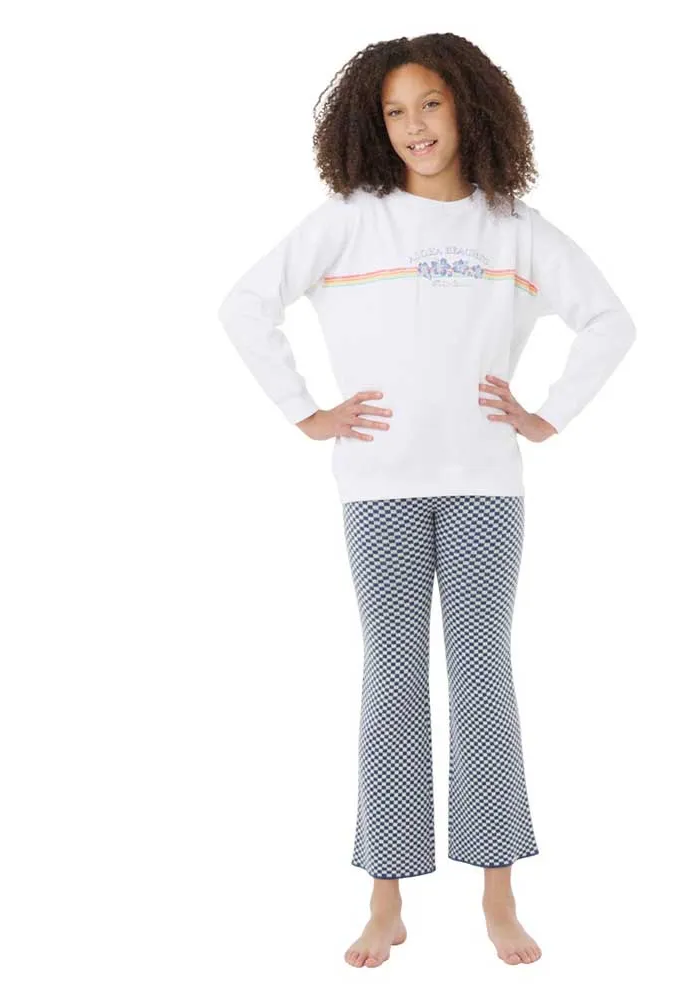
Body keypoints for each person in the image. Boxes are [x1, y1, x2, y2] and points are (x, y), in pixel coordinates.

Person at [217, 32, 636, 968]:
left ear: (469, 107)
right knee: (394, 681)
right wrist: (305, 412)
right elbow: (245, 304)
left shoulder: (512, 227)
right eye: (396, 111)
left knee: (482, 677)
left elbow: (611, 321)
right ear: (374, 124)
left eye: (431, 104)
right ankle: (386, 899)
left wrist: (547, 416)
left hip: (485, 484)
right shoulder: (350, 220)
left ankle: (499, 893)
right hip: (379, 487)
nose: (415, 126)